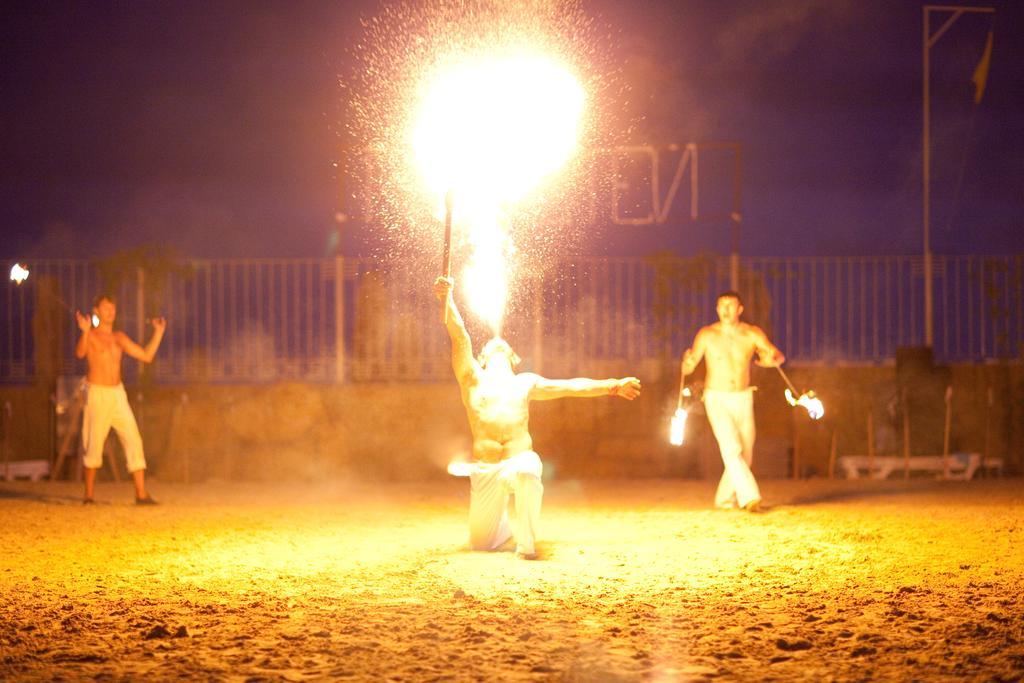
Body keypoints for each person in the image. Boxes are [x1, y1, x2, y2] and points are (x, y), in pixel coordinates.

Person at [435, 276, 641, 559]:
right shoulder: (472, 379)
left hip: (519, 458)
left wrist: (613, 385)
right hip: (486, 468)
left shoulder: (526, 382)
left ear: (513, 357)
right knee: (482, 543)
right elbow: (459, 335)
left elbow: (570, 386)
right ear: (480, 358)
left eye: (503, 347)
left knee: (527, 472)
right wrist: (447, 299)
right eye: (490, 348)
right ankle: (502, 528)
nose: (497, 346)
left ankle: (526, 544)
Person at [679, 291, 784, 512]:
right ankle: (750, 497)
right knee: (731, 447)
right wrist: (686, 362)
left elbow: (775, 356)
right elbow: (688, 367)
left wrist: (770, 359)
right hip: (716, 397)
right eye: (721, 305)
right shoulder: (707, 334)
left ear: (740, 309)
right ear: (717, 309)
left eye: (730, 305)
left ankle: (724, 499)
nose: (726, 309)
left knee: (745, 453)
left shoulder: (752, 333)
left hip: (743, 396)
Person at [74, 294, 166, 505]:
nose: (111, 312)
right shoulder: (92, 336)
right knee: (93, 443)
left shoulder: (119, 337)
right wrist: (85, 331)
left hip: (117, 393)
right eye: (106, 308)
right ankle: (88, 496)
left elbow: (146, 356)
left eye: (113, 308)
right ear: (96, 310)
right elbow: (80, 353)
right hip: (97, 392)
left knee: (133, 438)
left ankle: (141, 494)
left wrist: (159, 332)